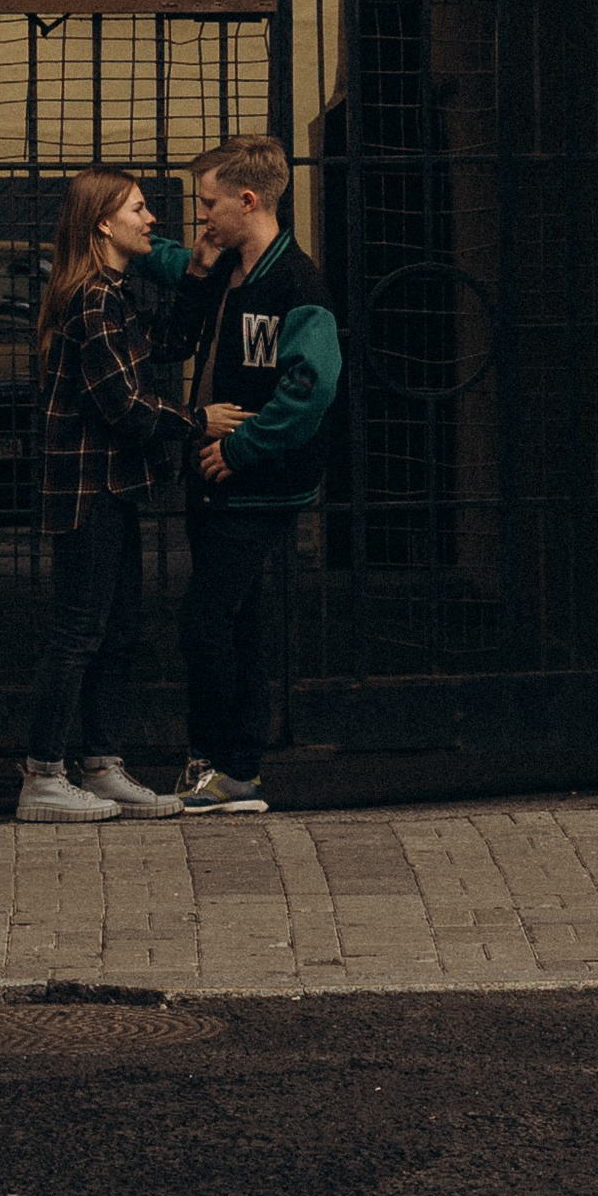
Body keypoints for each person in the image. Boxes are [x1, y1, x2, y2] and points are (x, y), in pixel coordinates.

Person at [18, 168, 202, 824]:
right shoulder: (92, 300)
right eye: (139, 208)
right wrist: (201, 423)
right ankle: (43, 776)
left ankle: (101, 766)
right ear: (103, 221)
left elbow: (171, 342)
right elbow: (123, 405)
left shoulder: (115, 296)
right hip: (87, 492)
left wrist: (200, 275)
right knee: (80, 632)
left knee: (117, 628)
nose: (152, 219)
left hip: (113, 489)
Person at [165, 135, 343, 816]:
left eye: (208, 204)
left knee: (207, 620)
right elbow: (180, 339)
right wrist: (198, 270)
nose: (200, 217)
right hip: (219, 481)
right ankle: (232, 768)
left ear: (248, 199)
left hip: (254, 483)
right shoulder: (231, 270)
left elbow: (312, 385)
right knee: (234, 620)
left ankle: (227, 768)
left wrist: (244, 449)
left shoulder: (295, 281)